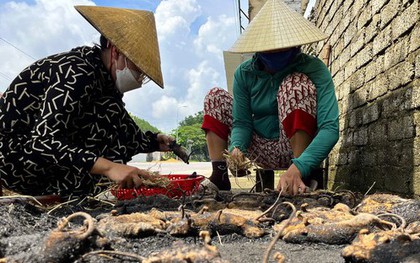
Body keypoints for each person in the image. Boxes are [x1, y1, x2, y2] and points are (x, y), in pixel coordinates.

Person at [0, 6, 173, 199]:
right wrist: (110, 167)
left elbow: (123, 129)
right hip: (15, 159)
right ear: (116, 52)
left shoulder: (104, 84)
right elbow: (43, 141)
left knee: (111, 111)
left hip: (37, 154)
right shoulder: (78, 72)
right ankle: (64, 193)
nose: (139, 77)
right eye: (138, 69)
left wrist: (155, 142)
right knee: (107, 114)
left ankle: (71, 191)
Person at [201, 0, 339, 196]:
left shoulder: (314, 68)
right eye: (269, 51)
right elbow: (242, 122)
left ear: (295, 46)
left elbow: (330, 128)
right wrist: (237, 148)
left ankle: (302, 178)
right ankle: (220, 177)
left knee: (296, 84)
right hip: (261, 149)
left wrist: (300, 165)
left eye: (282, 50)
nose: (275, 55)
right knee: (215, 96)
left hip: (299, 149)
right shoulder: (244, 73)